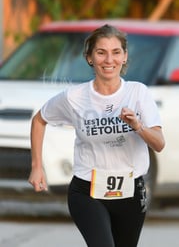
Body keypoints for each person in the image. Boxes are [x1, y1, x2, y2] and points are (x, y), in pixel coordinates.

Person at [28, 24, 165, 247]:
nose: (108, 60)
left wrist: (137, 125)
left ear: (124, 56)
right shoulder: (74, 96)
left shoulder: (138, 92)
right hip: (87, 191)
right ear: (90, 57)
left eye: (116, 52)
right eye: (101, 52)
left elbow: (159, 144)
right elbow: (39, 120)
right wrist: (36, 167)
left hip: (131, 192)